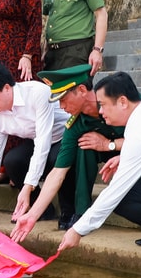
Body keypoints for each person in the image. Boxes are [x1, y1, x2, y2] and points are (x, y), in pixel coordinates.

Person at [12, 72, 141, 255]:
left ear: (123, 101)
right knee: (127, 185)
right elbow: (58, 173)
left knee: (121, 195)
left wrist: (78, 230)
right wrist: (32, 215)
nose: (101, 112)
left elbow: (115, 191)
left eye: (103, 105)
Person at [12, 64, 126, 231]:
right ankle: (82, 211)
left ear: (81, 90)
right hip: (108, 155)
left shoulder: (120, 98)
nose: (61, 106)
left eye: (63, 99)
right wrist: (32, 214)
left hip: (139, 156)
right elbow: (58, 172)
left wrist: (108, 144)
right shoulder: (75, 124)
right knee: (84, 146)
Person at [0, 61, 70, 221]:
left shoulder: (37, 93)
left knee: (55, 159)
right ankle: (42, 210)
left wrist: (28, 185)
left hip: (63, 137)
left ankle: (68, 211)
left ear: (6, 88)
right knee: (12, 161)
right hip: (36, 140)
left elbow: (43, 141)